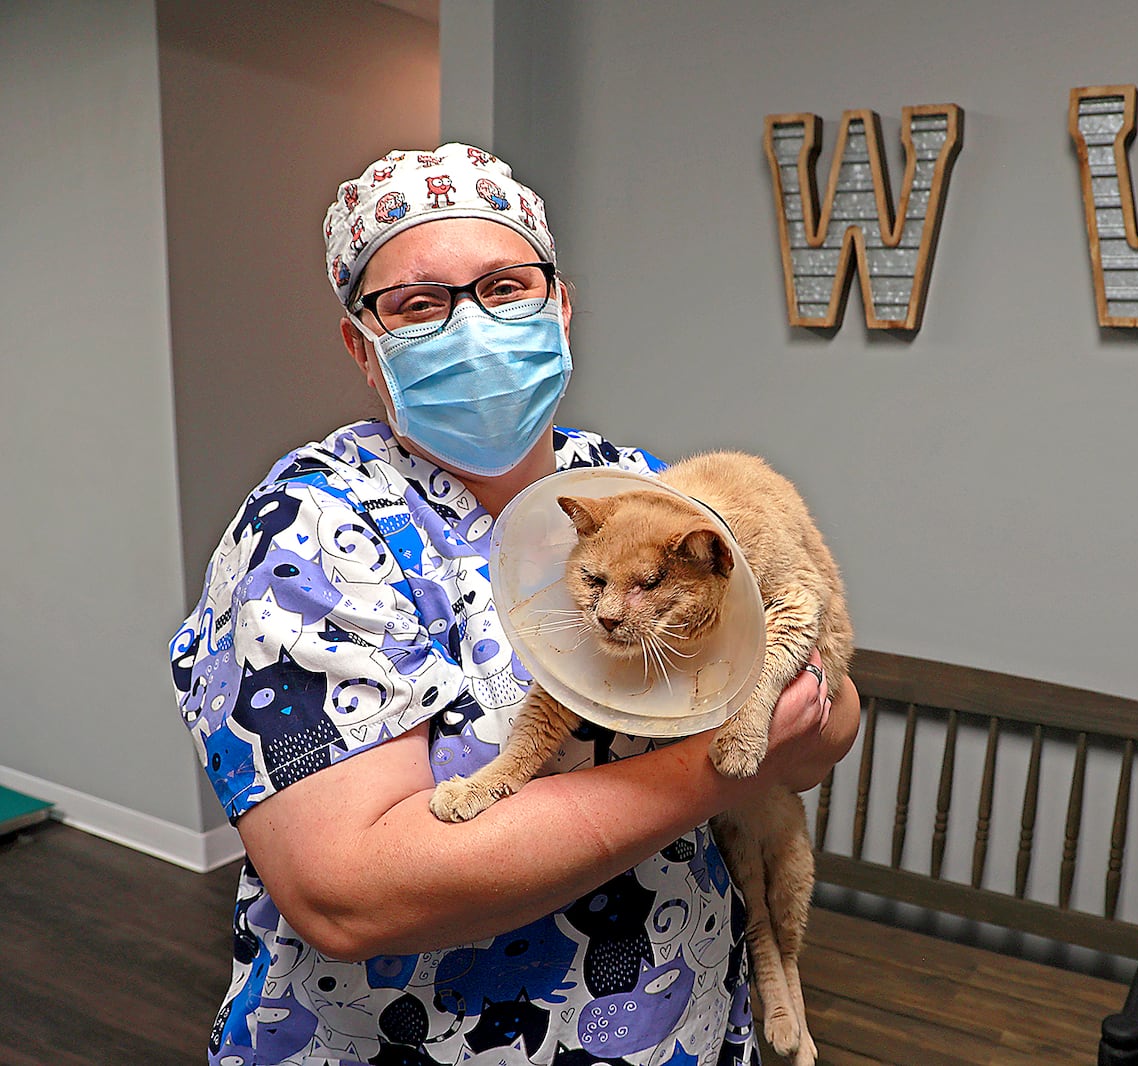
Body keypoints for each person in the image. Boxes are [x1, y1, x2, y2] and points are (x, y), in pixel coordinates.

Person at [169, 142, 859, 1066]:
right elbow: (351, 893)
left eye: (505, 287)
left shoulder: (635, 490)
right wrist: (726, 759)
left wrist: (804, 707)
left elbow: (820, 727)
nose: (471, 327)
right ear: (361, 342)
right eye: (418, 304)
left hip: (680, 1019)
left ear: (560, 306)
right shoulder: (307, 534)